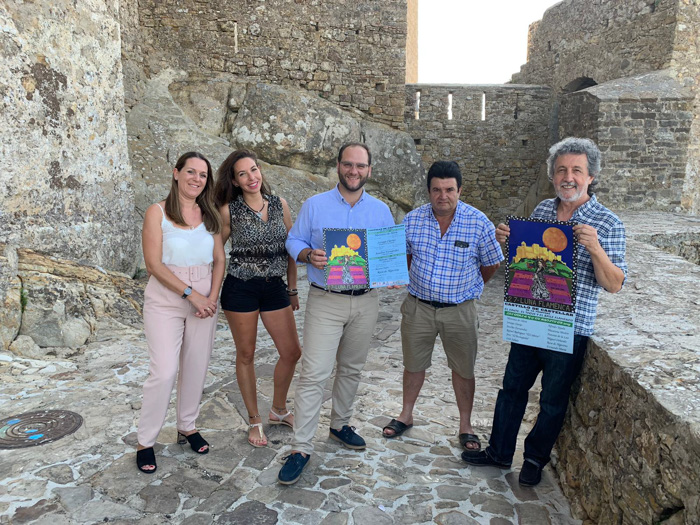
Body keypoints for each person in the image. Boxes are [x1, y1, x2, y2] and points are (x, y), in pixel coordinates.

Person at [463, 137, 627, 487]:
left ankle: (535, 460)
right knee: (511, 388)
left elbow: (614, 284)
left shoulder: (607, 223)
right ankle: (499, 452)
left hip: (570, 327)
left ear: (591, 176)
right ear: (553, 175)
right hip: (531, 319)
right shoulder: (540, 211)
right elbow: (522, 266)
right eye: (562, 170)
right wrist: (508, 242)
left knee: (552, 400)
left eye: (577, 171)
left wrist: (596, 249)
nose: (568, 177)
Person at [278, 142, 395, 485]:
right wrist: (306, 255)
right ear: (338, 166)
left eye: (360, 166)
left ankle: (340, 424)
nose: (354, 171)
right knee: (315, 372)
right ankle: (300, 447)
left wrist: (389, 273)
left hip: (366, 301)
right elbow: (293, 240)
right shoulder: (315, 205)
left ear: (369, 170)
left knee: (352, 368)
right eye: (348, 165)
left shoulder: (380, 211)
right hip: (326, 300)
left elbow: (389, 251)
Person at [381, 161, 503, 453]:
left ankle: (465, 425)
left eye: (449, 189)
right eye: (436, 189)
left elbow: (491, 264)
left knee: (463, 369)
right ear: (428, 191)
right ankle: (406, 414)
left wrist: (469, 288)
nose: (442, 196)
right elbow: (403, 256)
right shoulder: (412, 220)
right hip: (418, 307)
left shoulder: (478, 222)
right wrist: (401, 277)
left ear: (460, 190)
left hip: (460, 310)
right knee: (413, 365)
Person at [136, 151, 225, 474]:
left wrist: (211, 297)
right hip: (167, 299)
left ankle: (187, 425)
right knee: (164, 370)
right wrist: (192, 295)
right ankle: (145, 441)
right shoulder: (157, 213)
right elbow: (153, 264)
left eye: (202, 175)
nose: (196, 179)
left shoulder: (210, 214)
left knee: (196, 365)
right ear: (176, 173)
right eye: (190, 172)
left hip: (205, 299)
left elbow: (218, 260)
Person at [214, 149, 302, 448]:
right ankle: (254, 420)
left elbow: (291, 248)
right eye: (243, 174)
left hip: (274, 287)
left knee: (291, 352)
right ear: (235, 181)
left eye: (254, 170)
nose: (251, 177)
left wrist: (292, 289)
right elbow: (216, 253)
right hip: (240, 288)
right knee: (247, 355)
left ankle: (278, 409)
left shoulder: (280, 205)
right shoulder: (229, 211)